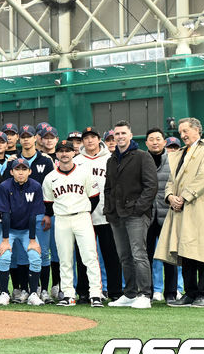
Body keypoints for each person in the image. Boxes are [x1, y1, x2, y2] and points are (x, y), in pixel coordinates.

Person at [157, 118, 204, 308]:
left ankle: (203, 294)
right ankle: (190, 293)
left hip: (199, 208)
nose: (182, 135)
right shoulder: (180, 153)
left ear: (197, 130)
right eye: (180, 132)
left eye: (185, 131)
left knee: (202, 250)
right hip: (180, 210)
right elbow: (171, 180)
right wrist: (170, 197)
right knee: (185, 251)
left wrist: (184, 197)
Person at [41, 141, 104, 308]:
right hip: (61, 219)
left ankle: (95, 294)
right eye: (61, 151)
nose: (64, 154)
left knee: (90, 257)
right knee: (65, 259)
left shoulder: (84, 173)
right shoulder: (50, 177)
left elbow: (94, 197)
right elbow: (48, 203)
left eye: (67, 150)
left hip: (82, 217)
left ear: (73, 153)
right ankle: (68, 295)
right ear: (56, 154)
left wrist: (84, 211)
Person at [104, 121, 157, 310]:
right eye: (117, 134)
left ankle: (145, 294)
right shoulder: (111, 160)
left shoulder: (142, 156)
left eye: (123, 133)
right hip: (117, 215)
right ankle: (130, 293)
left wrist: (138, 209)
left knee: (138, 254)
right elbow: (108, 188)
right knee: (124, 256)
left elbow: (151, 186)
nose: (119, 137)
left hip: (136, 215)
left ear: (131, 135)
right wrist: (109, 210)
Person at [74, 126, 123, 303]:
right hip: (83, 215)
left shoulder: (111, 158)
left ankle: (115, 291)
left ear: (99, 139)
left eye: (93, 137)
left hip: (106, 214)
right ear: (82, 141)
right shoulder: (76, 160)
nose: (89, 140)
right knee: (83, 256)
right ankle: (84, 291)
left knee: (111, 255)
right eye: (86, 138)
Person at [0, 158, 45, 306]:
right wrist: (5, 240)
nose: (20, 172)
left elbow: (33, 214)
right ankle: (4, 292)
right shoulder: (4, 186)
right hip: (9, 230)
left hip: (27, 230)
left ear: (29, 171)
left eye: (24, 169)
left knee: (35, 257)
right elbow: (5, 214)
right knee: (4, 256)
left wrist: (32, 240)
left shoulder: (36, 186)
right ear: (11, 172)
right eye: (17, 169)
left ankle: (33, 293)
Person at [144, 128, 179, 304]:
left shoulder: (174, 160)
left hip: (167, 215)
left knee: (169, 256)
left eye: (158, 139)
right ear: (146, 143)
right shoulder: (141, 160)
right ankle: (147, 293)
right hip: (146, 216)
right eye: (151, 139)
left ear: (164, 142)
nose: (155, 142)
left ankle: (171, 293)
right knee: (146, 256)